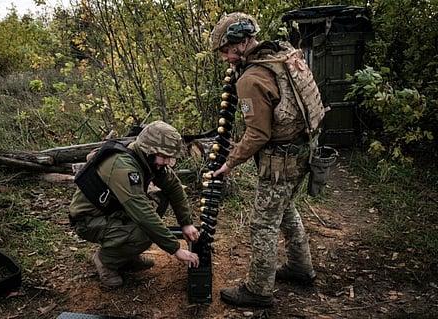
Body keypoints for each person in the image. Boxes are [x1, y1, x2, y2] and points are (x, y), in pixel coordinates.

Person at [210, 12, 317, 307]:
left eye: (227, 51)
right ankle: (300, 266)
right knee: (284, 210)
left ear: (243, 42)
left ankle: (257, 290)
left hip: (281, 161)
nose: (225, 58)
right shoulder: (279, 56)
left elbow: (257, 134)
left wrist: (230, 161)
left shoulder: (252, 78)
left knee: (262, 223)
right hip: (304, 151)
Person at [69, 120, 200, 288]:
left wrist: (186, 223)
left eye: (170, 157)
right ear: (149, 150)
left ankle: (126, 255)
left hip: (112, 210)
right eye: (164, 156)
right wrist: (175, 249)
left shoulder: (147, 159)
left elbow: (174, 187)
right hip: (88, 220)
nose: (167, 162)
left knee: (158, 201)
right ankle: (106, 261)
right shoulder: (123, 165)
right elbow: (143, 215)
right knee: (145, 233)